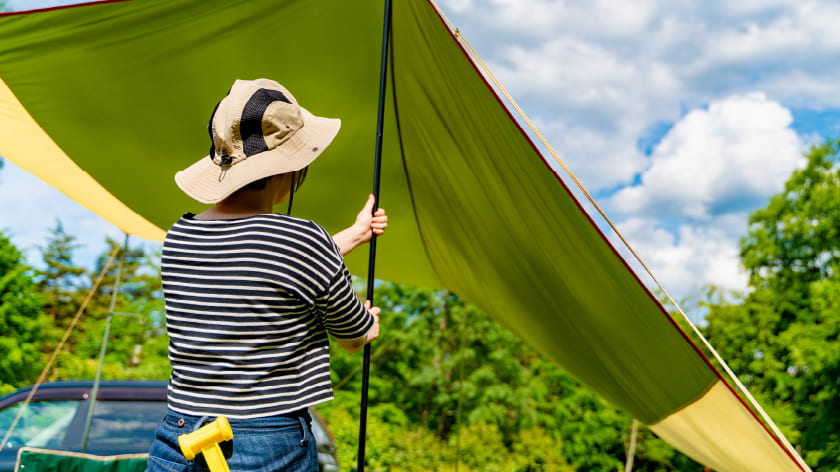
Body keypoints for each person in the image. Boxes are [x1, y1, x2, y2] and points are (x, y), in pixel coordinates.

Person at [147, 78, 387, 472]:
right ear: (290, 168)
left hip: (180, 436)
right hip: (265, 441)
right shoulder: (303, 240)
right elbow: (352, 337)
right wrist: (368, 322)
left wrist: (354, 235)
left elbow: (258, 260)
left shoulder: (181, 235)